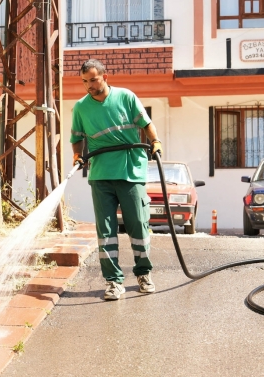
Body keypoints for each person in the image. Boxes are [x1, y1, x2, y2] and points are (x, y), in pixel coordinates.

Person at [70, 59, 162, 301]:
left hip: (130, 171)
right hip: (101, 175)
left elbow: (147, 124)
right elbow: (77, 137)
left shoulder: (126, 97)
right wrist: (78, 155)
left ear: (104, 76)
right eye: (84, 81)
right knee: (106, 231)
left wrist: (155, 142)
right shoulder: (81, 108)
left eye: (92, 80)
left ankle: (144, 273)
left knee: (138, 226)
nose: (88, 85)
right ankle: (113, 281)